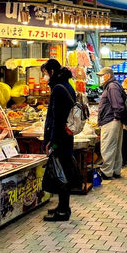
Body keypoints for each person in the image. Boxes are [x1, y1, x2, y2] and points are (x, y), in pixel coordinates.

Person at [42, 59, 80, 221]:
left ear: (51, 72)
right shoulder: (66, 85)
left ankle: (63, 211)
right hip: (66, 136)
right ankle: (62, 206)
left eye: (44, 74)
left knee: (61, 172)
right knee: (63, 169)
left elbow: (57, 118)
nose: (43, 77)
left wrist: (51, 141)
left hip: (60, 137)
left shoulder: (58, 88)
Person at [97, 67, 125, 180]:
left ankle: (106, 172)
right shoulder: (113, 85)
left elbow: (117, 104)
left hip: (111, 120)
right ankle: (115, 171)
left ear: (108, 75)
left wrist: (116, 117)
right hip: (113, 120)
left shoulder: (112, 86)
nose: (101, 78)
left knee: (107, 147)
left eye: (102, 76)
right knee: (115, 147)